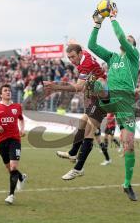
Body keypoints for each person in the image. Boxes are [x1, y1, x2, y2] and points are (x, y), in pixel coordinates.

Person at [88, 5, 139, 201]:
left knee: (129, 145)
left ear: (133, 46)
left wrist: (113, 18)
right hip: (110, 97)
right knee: (97, 82)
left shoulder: (133, 56)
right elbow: (92, 46)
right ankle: (93, 109)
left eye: (130, 40)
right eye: (126, 39)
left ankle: (127, 184)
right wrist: (97, 24)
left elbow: (120, 36)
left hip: (125, 102)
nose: (127, 40)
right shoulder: (112, 57)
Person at [44, 44, 107, 180]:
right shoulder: (83, 53)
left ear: (79, 54)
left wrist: (55, 86)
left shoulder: (86, 64)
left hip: (102, 97)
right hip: (95, 95)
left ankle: (78, 168)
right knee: (83, 121)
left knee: (89, 131)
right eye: (69, 57)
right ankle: (73, 153)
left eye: (73, 57)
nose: (71, 60)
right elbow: (76, 44)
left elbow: (78, 87)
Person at [0, 84, 27, 204]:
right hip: (1, 141)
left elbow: (21, 118)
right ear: (0, 94)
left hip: (15, 140)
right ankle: (21, 177)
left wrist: (22, 129)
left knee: (13, 167)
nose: (8, 92)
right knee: (9, 168)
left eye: (9, 90)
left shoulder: (17, 107)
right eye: (5, 91)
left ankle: (11, 195)